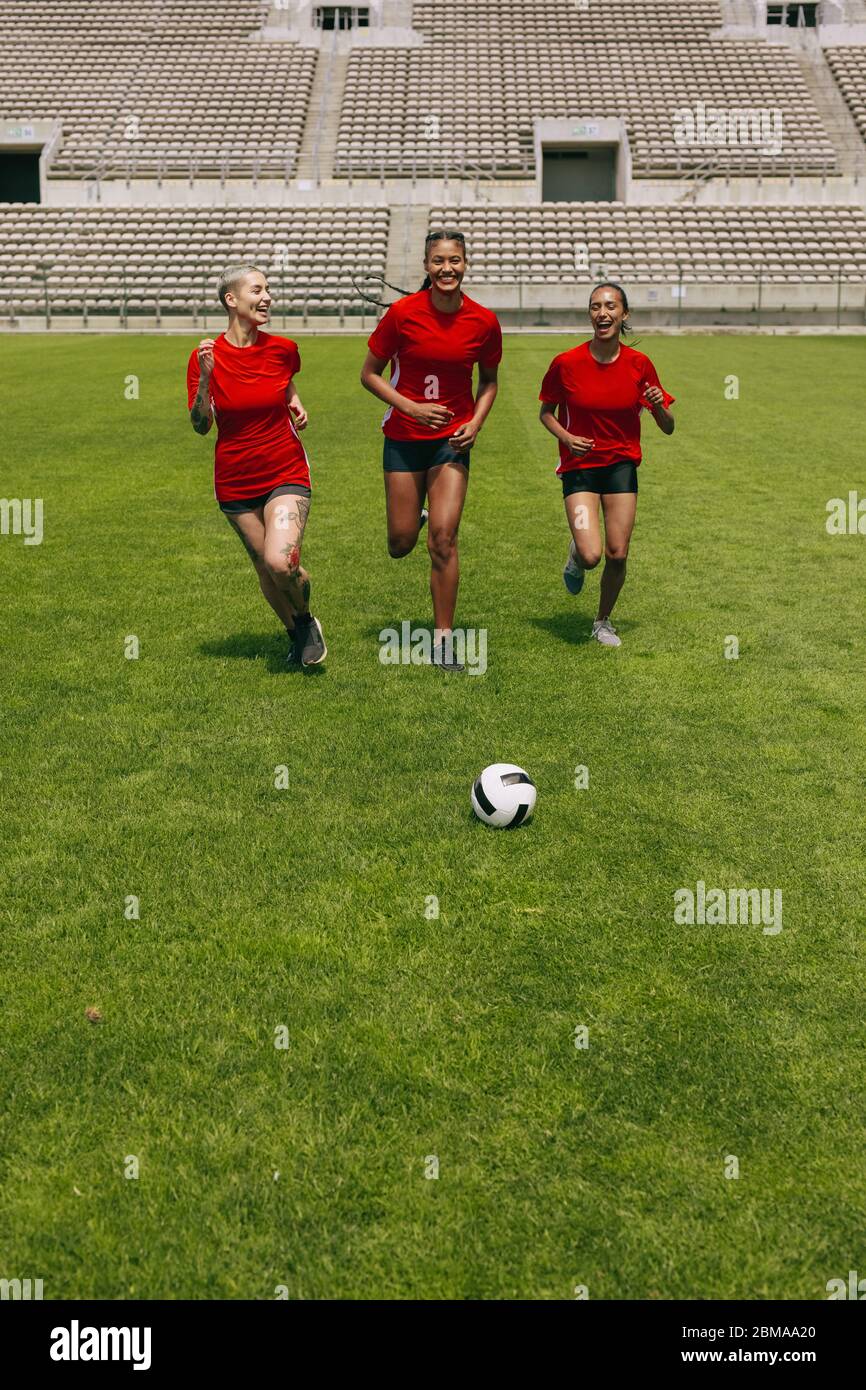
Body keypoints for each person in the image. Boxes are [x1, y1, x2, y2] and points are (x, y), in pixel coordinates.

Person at [360, 230, 501, 672]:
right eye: (438, 261)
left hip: (450, 442)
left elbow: (490, 380)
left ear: (465, 263)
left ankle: (442, 641)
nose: (447, 269)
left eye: (454, 260)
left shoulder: (483, 321)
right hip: (403, 437)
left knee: (444, 539)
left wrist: (475, 423)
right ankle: (414, 518)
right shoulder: (402, 315)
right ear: (426, 265)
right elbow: (369, 374)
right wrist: (410, 407)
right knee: (401, 544)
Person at [186, 264, 326, 667]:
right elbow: (199, 425)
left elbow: (282, 379)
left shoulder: (284, 348)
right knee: (264, 566)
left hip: (285, 470)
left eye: (268, 289)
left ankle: (305, 621)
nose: (267, 297)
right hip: (234, 481)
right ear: (232, 300)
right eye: (257, 290)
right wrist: (206, 380)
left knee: (281, 561)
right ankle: (296, 634)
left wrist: (293, 398)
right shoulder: (205, 356)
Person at [538, 282, 675, 648]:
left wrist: (658, 404)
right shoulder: (566, 363)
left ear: (624, 314)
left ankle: (602, 621)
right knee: (591, 554)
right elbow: (546, 413)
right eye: (596, 306)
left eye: (611, 306)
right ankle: (576, 552)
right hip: (580, 468)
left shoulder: (639, 365)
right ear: (590, 314)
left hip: (620, 468)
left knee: (617, 553)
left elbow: (668, 427)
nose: (603, 313)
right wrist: (566, 439)